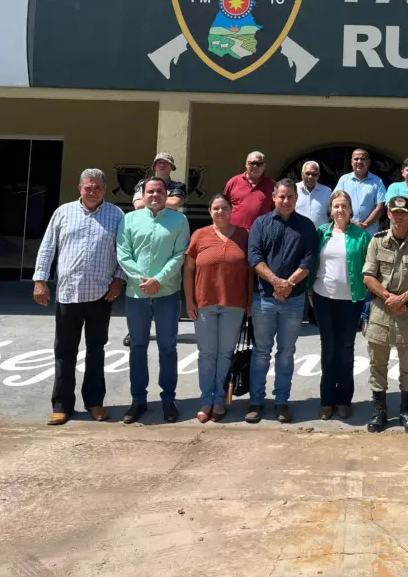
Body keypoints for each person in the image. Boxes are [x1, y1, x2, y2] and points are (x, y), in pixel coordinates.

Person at [33, 168, 125, 426]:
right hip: (68, 294)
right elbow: (48, 247)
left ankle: (94, 402)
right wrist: (40, 280)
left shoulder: (116, 215)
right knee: (64, 351)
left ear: (104, 189)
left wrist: (119, 280)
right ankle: (61, 405)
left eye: (97, 187)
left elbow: (123, 252)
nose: (92, 192)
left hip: (100, 295)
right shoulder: (63, 212)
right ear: (79, 187)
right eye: (88, 187)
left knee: (96, 350)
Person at [116, 177, 190, 424]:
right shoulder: (129, 219)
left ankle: (168, 400)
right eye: (150, 191)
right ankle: (138, 400)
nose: (155, 195)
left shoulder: (179, 220)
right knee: (137, 347)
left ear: (166, 194)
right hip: (136, 295)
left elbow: (180, 254)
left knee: (167, 348)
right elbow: (123, 254)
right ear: (143, 194)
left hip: (166, 294)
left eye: (159, 191)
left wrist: (158, 279)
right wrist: (141, 280)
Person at [246, 178, 318, 424]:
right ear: (273, 197)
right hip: (265, 299)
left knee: (286, 353)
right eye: (282, 196)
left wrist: (288, 285)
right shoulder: (261, 224)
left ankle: (281, 402)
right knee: (261, 351)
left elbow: (309, 261)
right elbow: (254, 257)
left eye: (290, 197)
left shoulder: (307, 226)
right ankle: (256, 401)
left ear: (296, 199)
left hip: (294, 300)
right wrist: (277, 282)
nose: (286, 201)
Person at [362, 196, 408, 434]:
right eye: (395, 212)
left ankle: (406, 411)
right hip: (381, 312)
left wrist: (402, 299)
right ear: (389, 215)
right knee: (377, 363)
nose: (400, 216)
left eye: (404, 212)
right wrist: (388, 297)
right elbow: (368, 276)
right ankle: (379, 411)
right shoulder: (377, 241)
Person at [184, 194, 253, 423]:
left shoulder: (243, 235)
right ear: (210, 212)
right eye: (216, 208)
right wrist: (189, 301)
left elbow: (250, 272)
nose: (220, 212)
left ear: (231, 210)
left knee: (225, 353)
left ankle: (219, 398)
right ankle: (206, 399)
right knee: (207, 354)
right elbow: (189, 270)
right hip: (204, 303)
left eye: (224, 208)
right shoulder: (200, 235)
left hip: (234, 304)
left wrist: (250, 301)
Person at [307, 190, 371, 420]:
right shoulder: (321, 232)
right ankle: (326, 400)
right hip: (324, 298)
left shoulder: (361, 236)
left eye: (344, 206)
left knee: (345, 350)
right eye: (336, 206)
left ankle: (343, 399)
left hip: (350, 301)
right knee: (328, 349)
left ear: (350, 209)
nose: (340, 210)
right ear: (330, 210)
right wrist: (309, 290)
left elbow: (370, 266)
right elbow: (311, 262)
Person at [124, 152, 187, 348]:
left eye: (166, 163)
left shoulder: (179, 186)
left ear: (172, 168)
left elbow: (176, 204)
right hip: (145, 229)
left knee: (167, 343)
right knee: (138, 331)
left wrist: (152, 201)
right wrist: (159, 201)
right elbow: (137, 206)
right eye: (159, 162)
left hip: (169, 230)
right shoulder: (141, 183)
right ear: (154, 165)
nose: (162, 165)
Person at [335, 148, 387, 327]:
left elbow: (381, 206)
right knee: (350, 270)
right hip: (348, 233)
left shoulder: (377, 182)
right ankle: (349, 313)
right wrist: (350, 222)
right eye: (356, 159)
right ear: (351, 162)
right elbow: (337, 201)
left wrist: (364, 224)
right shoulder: (344, 180)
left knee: (368, 273)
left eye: (363, 159)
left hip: (369, 235)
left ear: (368, 162)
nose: (359, 162)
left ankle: (365, 316)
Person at [224, 150, 276, 232]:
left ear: (264, 166)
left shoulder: (271, 185)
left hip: (262, 234)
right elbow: (223, 207)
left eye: (259, 164)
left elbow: (276, 210)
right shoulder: (233, 182)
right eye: (252, 163)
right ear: (246, 164)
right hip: (235, 234)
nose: (255, 166)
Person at [295, 160, 332, 230]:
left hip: (321, 235)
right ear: (302, 174)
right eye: (307, 173)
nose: (310, 177)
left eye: (314, 174)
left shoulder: (327, 191)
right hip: (298, 234)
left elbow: (332, 214)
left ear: (318, 176)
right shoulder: (294, 189)